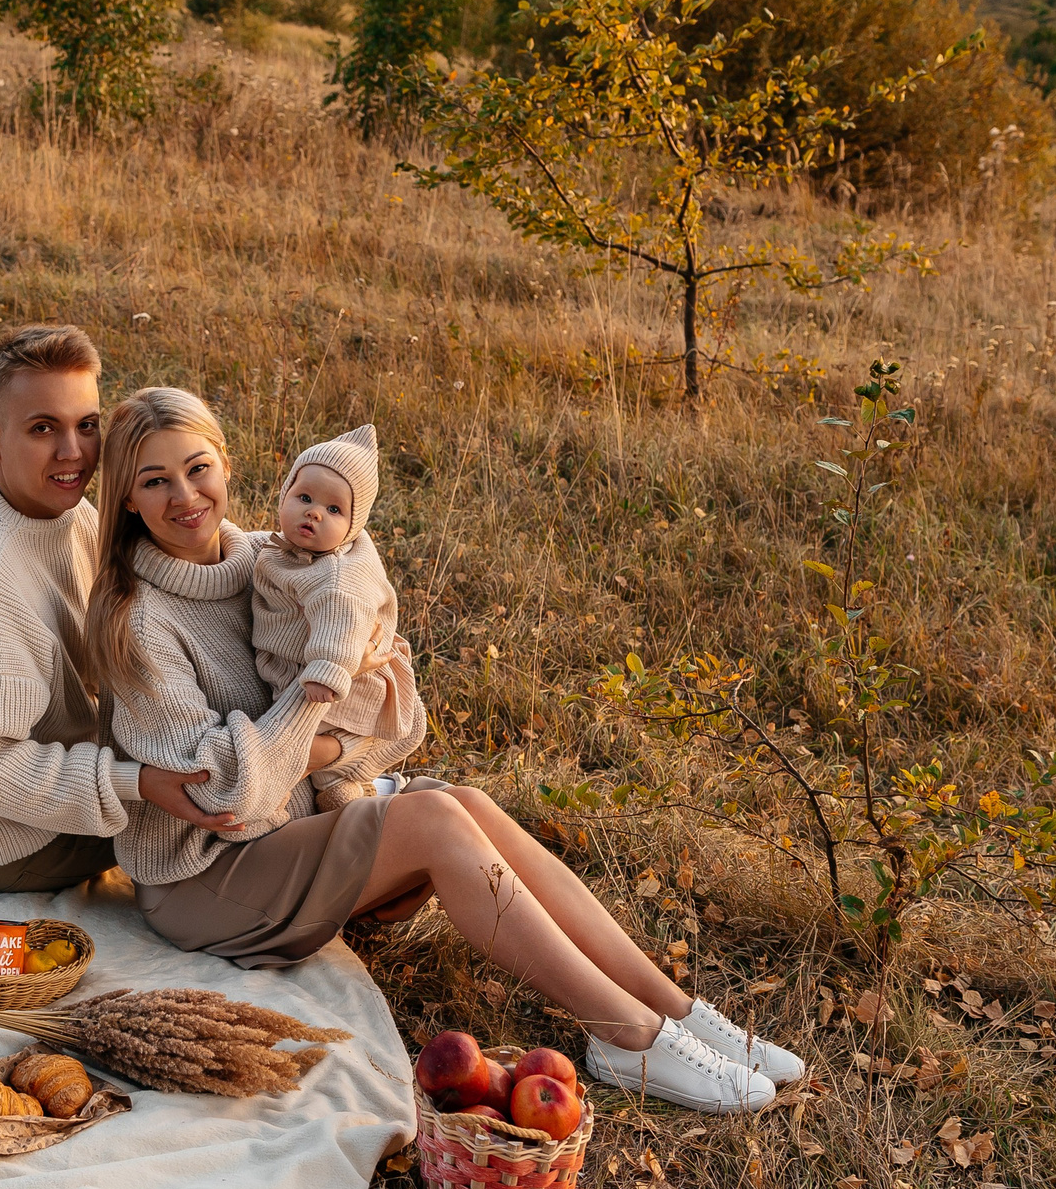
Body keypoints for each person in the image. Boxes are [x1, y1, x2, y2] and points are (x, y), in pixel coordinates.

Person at [88, 386, 805, 1115]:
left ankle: (675, 1009)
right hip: (205, 877)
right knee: (432, 824)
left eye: (198, 467)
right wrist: (317, 700)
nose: (185, 495)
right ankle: (623, 1034)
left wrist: (310, 741)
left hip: (282, 822)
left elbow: (398, 716)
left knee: (461, 802)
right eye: (155, 480)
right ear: (126, 501)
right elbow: (222, 792)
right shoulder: (141, 624)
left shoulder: (273, 558)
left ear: (229, 466)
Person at [0, 327, 235, 894]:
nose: (73, 452)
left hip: (76, 768)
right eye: (44, 428)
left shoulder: (60, 509)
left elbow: (177, 552)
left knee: (246, 740)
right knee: (242, 795)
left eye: (86, 426)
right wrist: (138, 783)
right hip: (10, 838)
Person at [250, 423, 422, 812]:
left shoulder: (338, 573)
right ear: (284, 494)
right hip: (303, 671)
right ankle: (352, 793)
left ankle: (290, 791)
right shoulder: (284, 551)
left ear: (352, 525)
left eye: (333, 509)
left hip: (339, 678)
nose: (314, 513)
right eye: (304, 497)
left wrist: (327, 667)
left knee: (312, 738)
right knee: (325, 762)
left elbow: (343, 619)